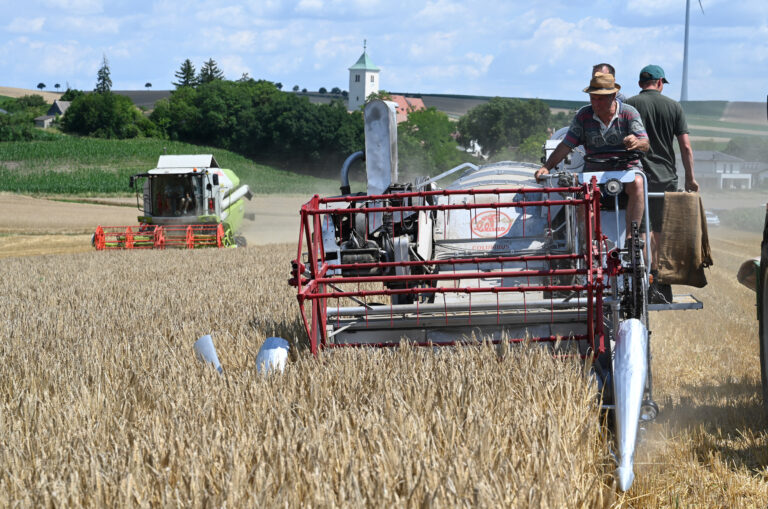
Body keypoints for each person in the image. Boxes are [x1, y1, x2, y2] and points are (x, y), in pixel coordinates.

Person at [535, 72, 649, 236]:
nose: (596, 103)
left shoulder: (629, 113)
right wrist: (547, 167)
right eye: (593, 98)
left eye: (600, 98)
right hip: (595, 173)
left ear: (613, 95)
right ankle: (591, 243)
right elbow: (567, 144)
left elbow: (645, 143)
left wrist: (637, 142)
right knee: (582, 194)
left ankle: (632, 240)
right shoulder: (583, 116)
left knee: (638, 183)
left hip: (626, 170)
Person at [625, 64, 698, 302]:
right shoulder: (674, 107)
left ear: (640, 84)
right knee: (660, 232)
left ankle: (645, 281)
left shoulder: (630, 106)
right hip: (666, 178)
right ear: (660, 83)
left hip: (637, 177)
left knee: (642, 232)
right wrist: (690, 178)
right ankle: (662, 284)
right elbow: (685, 147)